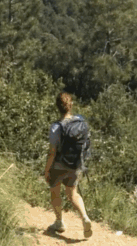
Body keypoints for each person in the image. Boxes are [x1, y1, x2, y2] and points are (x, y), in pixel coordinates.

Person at [44, 91, 93, 237]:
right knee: (73, 194)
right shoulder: (80, 121)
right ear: (71, 105)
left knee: (55, 191)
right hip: (75, 164)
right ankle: (85, 217)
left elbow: (52, 152)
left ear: (57, 107)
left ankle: (59, 222)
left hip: (59, 165)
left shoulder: (56, 127)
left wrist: (47, 170)